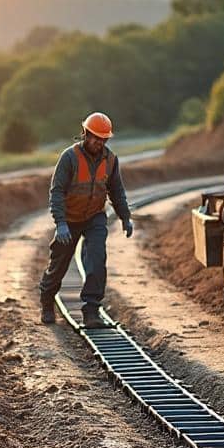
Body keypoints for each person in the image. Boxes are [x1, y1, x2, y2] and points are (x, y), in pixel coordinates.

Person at [37, 112, 133, 328]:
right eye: (95, 137)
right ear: (85, 134)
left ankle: (91, 311)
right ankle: (47, 301)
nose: (99, 142)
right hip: (69, 219)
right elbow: (57, 191)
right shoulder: (69, 158)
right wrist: (60, 223)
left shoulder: (111, 160)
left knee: (97, 260)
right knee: (59, 264)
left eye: (103, 139)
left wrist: (125, 217)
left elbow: (117, 191)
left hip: (94, 217)